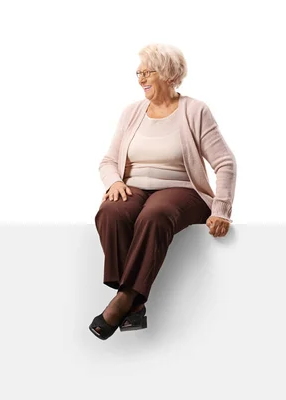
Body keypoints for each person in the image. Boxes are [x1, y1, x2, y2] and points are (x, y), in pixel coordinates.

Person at [89, 44, 236, 340]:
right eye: (138, 73)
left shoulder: (195, 110)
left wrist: (221, 210)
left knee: (155, 215)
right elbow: (108, 161)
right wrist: (115, 182)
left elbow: (225, 162)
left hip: (183, 190)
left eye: (147, 72)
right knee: (110, 212)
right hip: (135, 187)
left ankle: (122, 299)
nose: (141, 79)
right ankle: (134, 305)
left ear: (168, 74)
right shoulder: (132, 112)